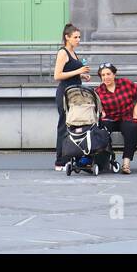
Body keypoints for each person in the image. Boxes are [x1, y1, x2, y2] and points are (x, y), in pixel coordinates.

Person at [95, 64, 137, 174]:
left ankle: (126, 163)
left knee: (132, 127)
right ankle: (107, 160)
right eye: (103, 75)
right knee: (101, 129)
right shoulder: (98, 91)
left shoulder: (125, 83)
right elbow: (96, 106)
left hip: (127, 116)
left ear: (114, 74)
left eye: (108, 74)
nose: (106, 77)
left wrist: (136, 110)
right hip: (110, 118)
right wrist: (101, 111)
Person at [52, 23, 90, 170]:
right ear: (67, 37)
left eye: (79, 37)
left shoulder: (73, 52)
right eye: (75, 37)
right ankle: (59, 161)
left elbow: (71, 71)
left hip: (75, 92)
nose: (78, 40)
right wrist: (78, 71)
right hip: (65, 93)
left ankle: (71, 157)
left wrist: (82, 75)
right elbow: (57, 75)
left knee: (75, 124)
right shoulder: (63, 53)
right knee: (63, 125)